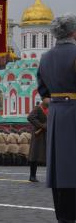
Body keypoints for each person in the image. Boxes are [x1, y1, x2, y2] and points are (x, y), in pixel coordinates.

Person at [37, 14, 76, 222]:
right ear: (73, 32)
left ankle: (63, 216)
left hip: (56, 116)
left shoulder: (45, 58)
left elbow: (43, 91)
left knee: (60, 169)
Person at [27, 97, 49, 182]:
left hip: (46, 134)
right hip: (38, 135)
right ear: (43, 100)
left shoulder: (49, 109)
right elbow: (30, 117)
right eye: (48, 99)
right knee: (34, 155)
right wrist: (41, 125)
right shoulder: (38, 108)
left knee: (48, 155)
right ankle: (32, 176)